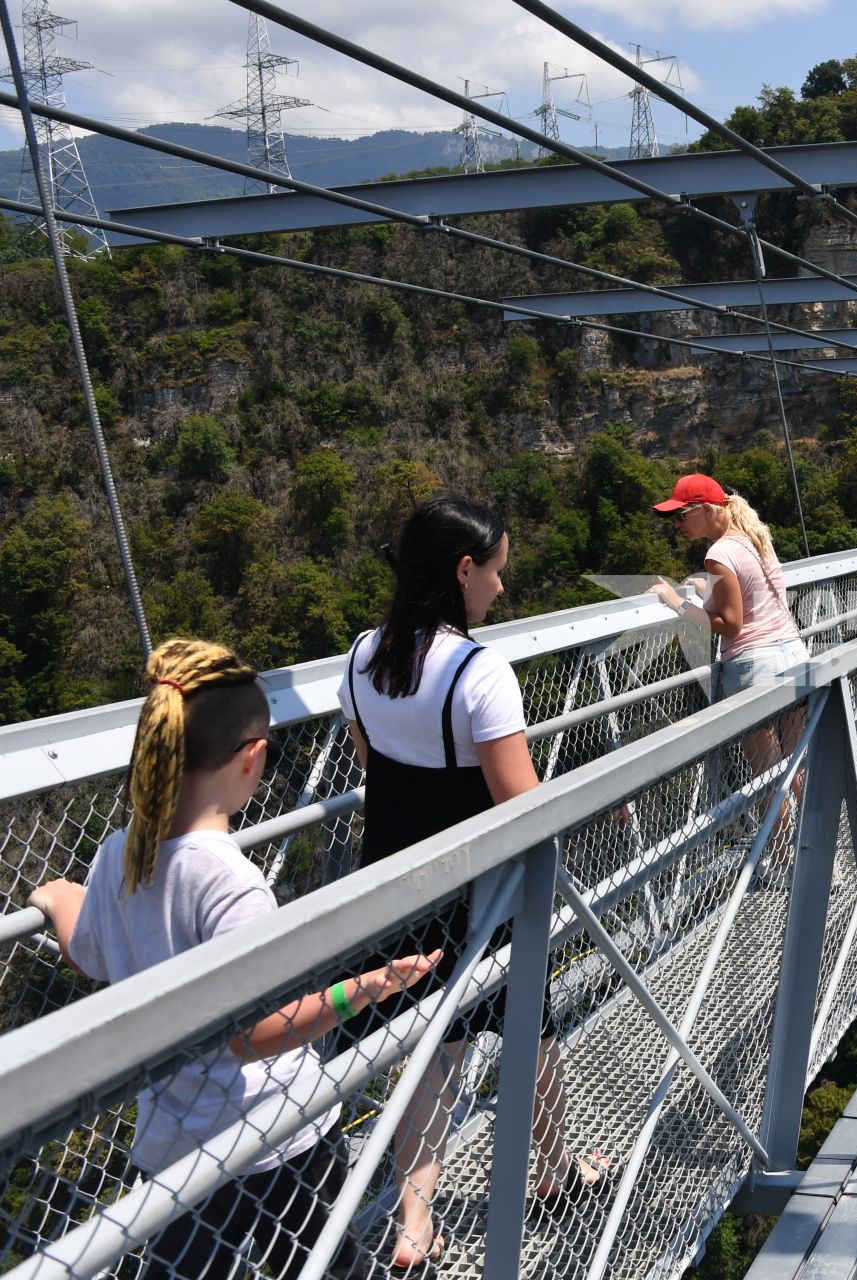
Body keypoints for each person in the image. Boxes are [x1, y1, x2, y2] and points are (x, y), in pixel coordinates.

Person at [31, 639, 440, 1280]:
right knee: (322, 1265)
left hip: (175, 1144)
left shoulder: (119, 853)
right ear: (252, 757)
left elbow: (93, 955)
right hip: (277, 1134)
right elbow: (256, 1034)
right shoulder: (230, 883)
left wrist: (59, 899)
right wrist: (362, 990)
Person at [341, 495, 600, 1269]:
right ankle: (554, 1169)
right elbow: (519, 806)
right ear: (463, 570)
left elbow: (368, 761)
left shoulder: (362, 653)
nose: (500, 588)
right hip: (479, 896)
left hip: (393, 883)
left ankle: (414, 1221)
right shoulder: (478, 671)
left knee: (431, 1050)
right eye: (495, 572)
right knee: (530, 1030)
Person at [647, 474, 809, 701]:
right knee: (799, 737)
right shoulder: (757, 538)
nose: (676, 524)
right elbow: (753, 596)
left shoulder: (718, 554)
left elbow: (732, 626)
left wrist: (676, 602)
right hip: (793, 654)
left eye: (680, 515)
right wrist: (712, 591)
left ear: (706, 510)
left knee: (758, 738)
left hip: (756, 664)